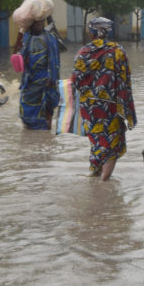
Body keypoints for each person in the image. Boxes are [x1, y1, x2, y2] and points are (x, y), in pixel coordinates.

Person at [71, 17, 137, 180]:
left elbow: (75, 80)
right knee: (111, 142)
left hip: (89, 107)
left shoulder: (82, 53)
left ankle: (95, 175)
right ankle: (104, 181)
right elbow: (125, 79)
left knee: (97, 139)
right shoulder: (118, 51)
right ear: (108, 31)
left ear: (91, 32)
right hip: (111, 107)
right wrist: (126, 106)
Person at [18, 17, 61, 129]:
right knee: (26, 110)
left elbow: (55, 60)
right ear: (31, 24)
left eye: (41, 23)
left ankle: (46, 135)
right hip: (30, 79)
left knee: (47, 108)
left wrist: (52, 78)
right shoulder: (26, 37)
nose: (40, 25)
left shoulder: (50, 38)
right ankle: (31, 138)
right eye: (37, 23)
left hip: (46, 78)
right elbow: (19, 56)